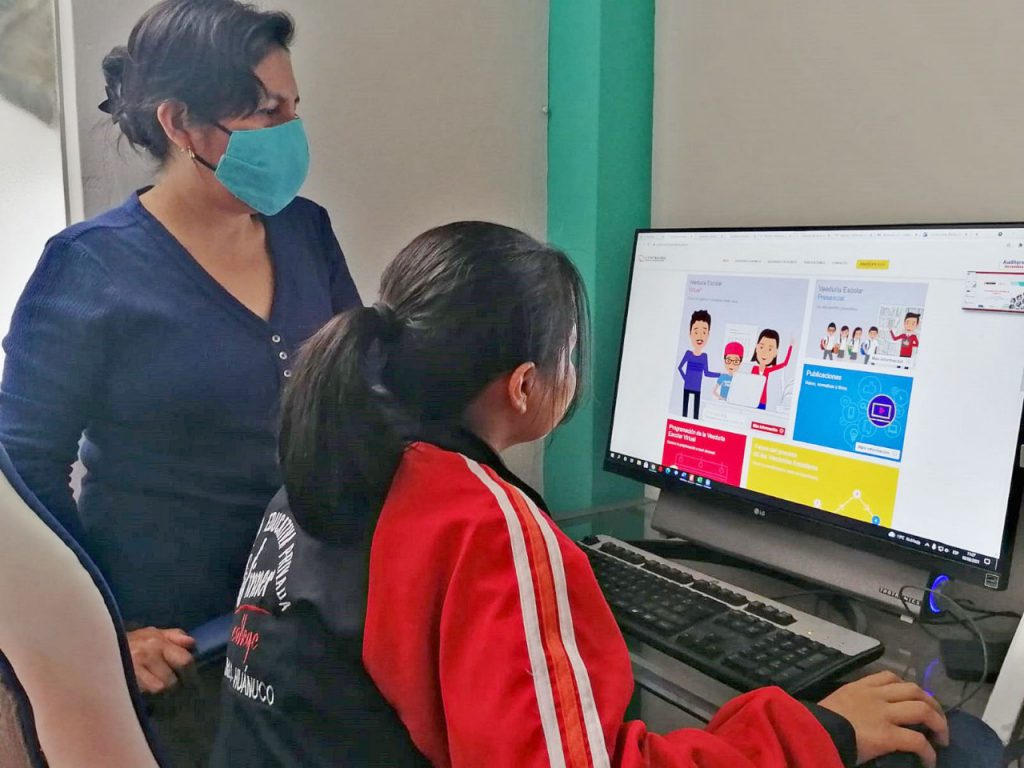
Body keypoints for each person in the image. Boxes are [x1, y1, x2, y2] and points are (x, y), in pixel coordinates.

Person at [212, 222, 950, 768]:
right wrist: (817, 732)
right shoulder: (483, 525)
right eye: (569, 354)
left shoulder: (335, 461)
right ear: (525, 386)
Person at [0, 0, 359, 758]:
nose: (292, 131)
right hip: (176, 647)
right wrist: (106, 631)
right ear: (180, 123)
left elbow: (355, 399)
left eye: (294, 108)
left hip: (304, 616)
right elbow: (22, 472)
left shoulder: (307, 231)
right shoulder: (88, 268)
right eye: (267, 112)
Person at [677, 309, 719, 419]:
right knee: (684, 413)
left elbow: (706, 373)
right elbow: (680, 367)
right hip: (687, 386)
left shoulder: (704, 356)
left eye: (704, 332)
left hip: (697, 387)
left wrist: (719, 375)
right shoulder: (688, 354)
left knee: (695, 415)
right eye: (696, 332)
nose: (700, 336)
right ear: (690, 333)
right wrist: (685, 378)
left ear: (708, 335)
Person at [750, 329, 794, 411]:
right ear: (756, 348)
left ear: (775, 353)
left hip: (762, 401)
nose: (764, 353)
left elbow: (784, 363)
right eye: (761, 347)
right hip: (750, 399)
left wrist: (790, 347)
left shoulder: (768, 370)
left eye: (770, 349)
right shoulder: (753, 369)